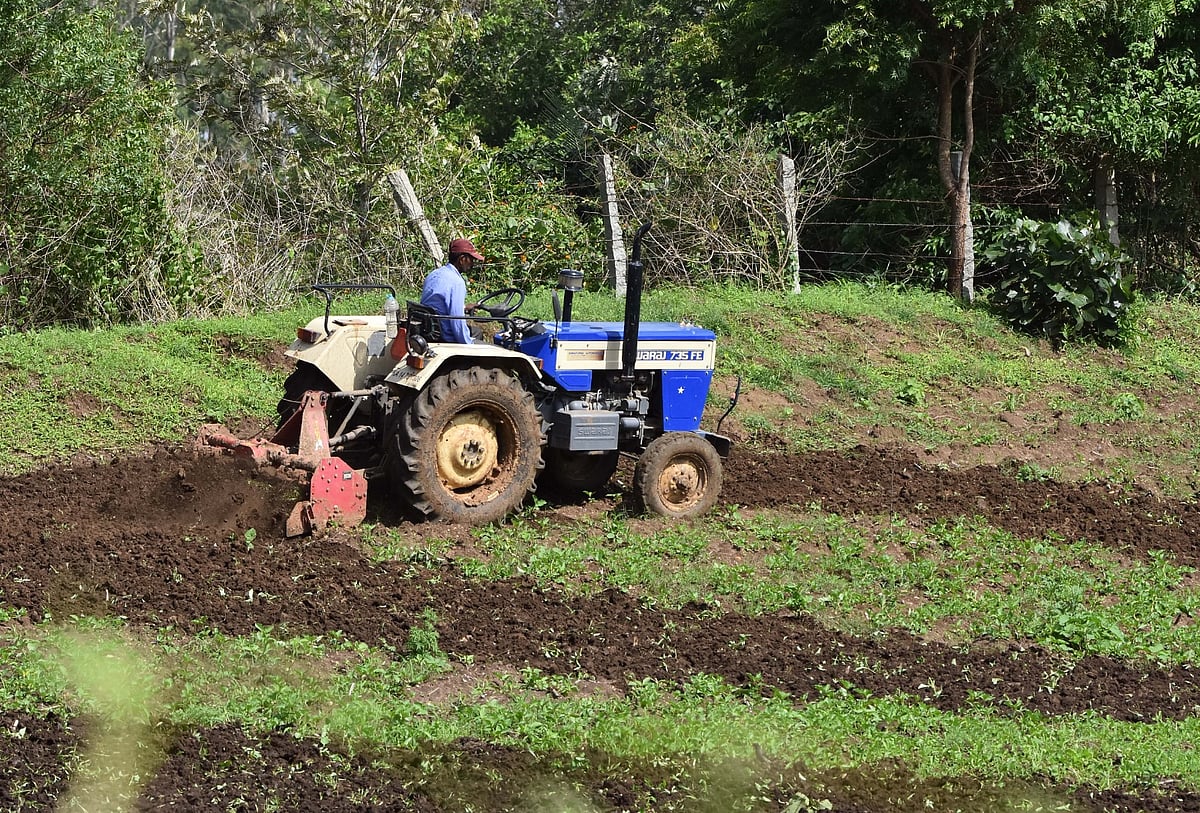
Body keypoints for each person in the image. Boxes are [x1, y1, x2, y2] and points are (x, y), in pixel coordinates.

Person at [420, 237, 483, 344]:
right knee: (483, 341)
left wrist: (463, 307)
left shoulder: (434, 274)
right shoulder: (456, 282)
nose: (472, 263)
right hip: (445, 335)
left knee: (476, 332)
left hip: (430, 330)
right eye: (471, 259)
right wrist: (468, 344)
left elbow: (436, 305)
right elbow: (457, 321)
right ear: (462, 259)